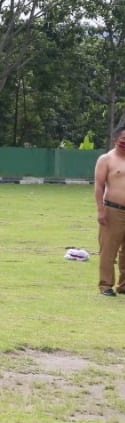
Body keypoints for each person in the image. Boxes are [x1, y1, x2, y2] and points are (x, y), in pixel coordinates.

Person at [94, 125, 125, 296]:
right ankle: (106, 285)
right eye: (123, 140)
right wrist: (100, 210)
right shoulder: (106, 159)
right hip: (113, 209)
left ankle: (124, 285)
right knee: (108, 250)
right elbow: (99, 185)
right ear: (115, 139)